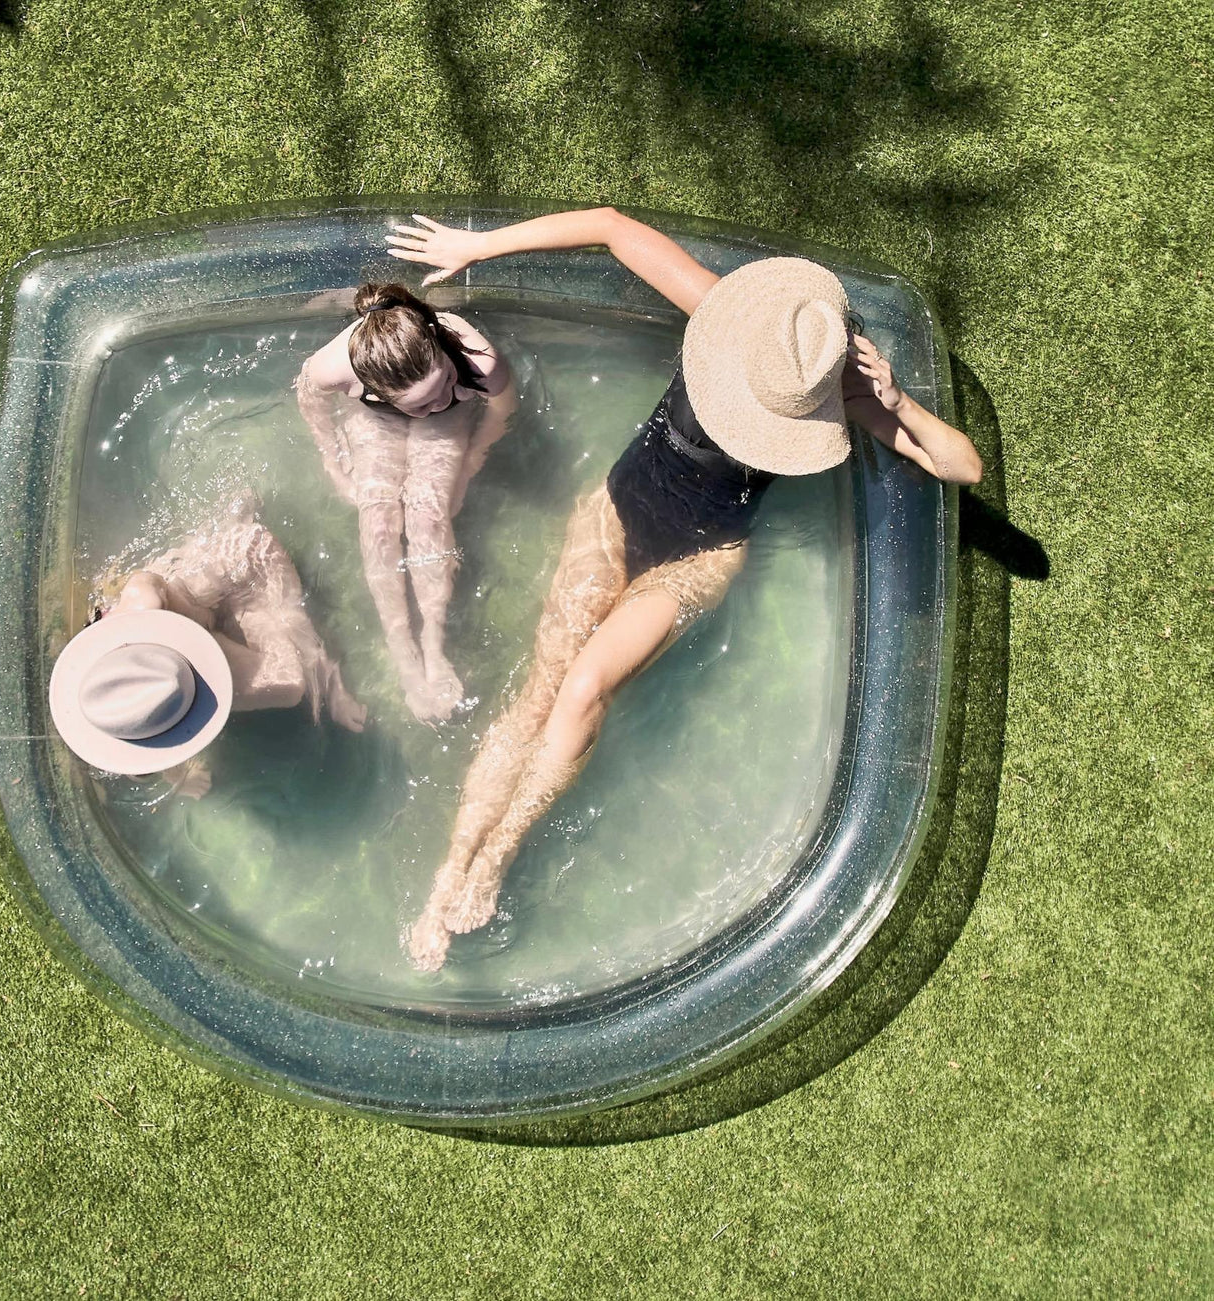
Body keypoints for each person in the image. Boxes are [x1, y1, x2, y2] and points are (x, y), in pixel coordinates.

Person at [386, 208, 984, 971]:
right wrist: (480, 245)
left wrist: (894, 403)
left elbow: (961, 466)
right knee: (539, 690)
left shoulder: (833, 389)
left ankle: (496, 856)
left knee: (582, 690)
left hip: (697, 559)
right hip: (614, 512)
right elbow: (608, 224)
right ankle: (450, 870)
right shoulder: (725, 318)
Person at [296, 282, 518, 723]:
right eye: (420, 404)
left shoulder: (477, 362)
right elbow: (310, 401)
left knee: (428, 514)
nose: (436, 402)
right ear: (370, 387)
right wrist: (333, 463)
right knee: (377, 519)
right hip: (375, 422)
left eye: (444, 384)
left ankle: (434, 647)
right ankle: (404, 656)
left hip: (458, 422)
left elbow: (502, 407)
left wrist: (471, 462)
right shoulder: (333, 368)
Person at [50, 492, 365, 796]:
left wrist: (205, 621)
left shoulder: (144, 604)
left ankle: (330, 677)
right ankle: (230, 525)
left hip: (252, 560)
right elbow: (136, 713)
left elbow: (149, 592)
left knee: (290, 679)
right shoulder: (113, 664)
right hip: (205, 581)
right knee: (194, 586)